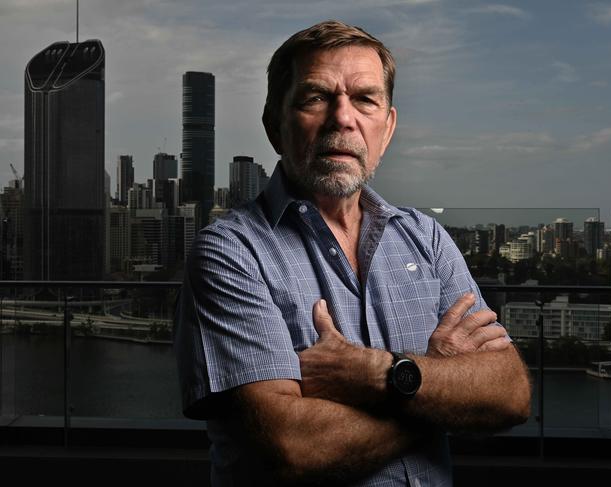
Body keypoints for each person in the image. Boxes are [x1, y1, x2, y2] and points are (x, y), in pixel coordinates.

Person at [173, 20, 531, 486]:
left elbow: (511, 393)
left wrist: (374, 373)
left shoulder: (426, 238)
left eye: (365, 99)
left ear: (388, 127)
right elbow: (295, 447)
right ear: (274, 124)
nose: (343, 118)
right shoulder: (231, 253)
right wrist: (438, 382)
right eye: (316, 97)